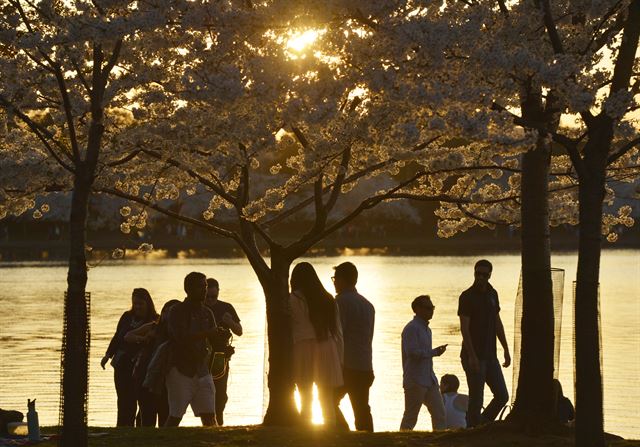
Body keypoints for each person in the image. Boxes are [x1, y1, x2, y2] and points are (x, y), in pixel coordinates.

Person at [164, 272, 222, 427]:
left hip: (203, 371)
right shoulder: (176, 311)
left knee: (210, 416)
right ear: (188, 289)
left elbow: (214, 340)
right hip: (180, 370)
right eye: (200, 286)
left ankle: (212, 442)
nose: (204, 290)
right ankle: (163, 440)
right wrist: (208, 333)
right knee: (175, 416)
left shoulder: (207, 312)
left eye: (205, 286)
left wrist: (221, 337)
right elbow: (180, 337)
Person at [289, 262, 343, 426]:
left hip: (303, 348)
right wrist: (340, 358)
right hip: (326, 347)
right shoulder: (327, 299)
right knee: (326, 397)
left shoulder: (291, 300)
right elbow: (338, 332)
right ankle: (330, 432)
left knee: (305, 394)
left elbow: (289, 330)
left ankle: (306, 431)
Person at [458, 259, 510, 427]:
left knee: (502, 395)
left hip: (491, 356)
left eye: (484, 274)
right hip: (473, 356)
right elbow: (464, 329)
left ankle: (483, 423)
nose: (480, 277)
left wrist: (506, 349)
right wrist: (472, 356)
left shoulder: (492, 294)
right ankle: (472, 429)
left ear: (489, 275)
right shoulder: (467, 297)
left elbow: (497, 323)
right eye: (477, 273)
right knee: (476, 396)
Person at [101, 288, 159, 426]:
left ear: (148, 303)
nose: (137, 307)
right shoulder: (126, 316)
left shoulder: (154, 320)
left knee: (142, 399)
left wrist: (137, 339)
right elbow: (117, 337)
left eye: (140, 304)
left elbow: (153, 342)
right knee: (123, 399)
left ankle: (141, 427)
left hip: (141, 365)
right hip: (121, 364)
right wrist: (108, 355)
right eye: (135, 304)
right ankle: (123, 426)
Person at [332, 262, 375, 432]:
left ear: (342, 280)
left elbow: (338, 334)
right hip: (365, 364)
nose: (334, 282)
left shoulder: (340, 302)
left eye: (335, 279)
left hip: (347, 364)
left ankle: (343, 432)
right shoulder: (368, 305)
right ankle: (367, 438)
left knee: (328, 400)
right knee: (362, 408)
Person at [399, 295, 447, 431]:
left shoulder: (427, 330)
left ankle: (439, 440)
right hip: (415, 380)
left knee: (439, 413)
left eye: (432, 308)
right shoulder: (411, 328)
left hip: (429, 379)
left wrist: (433, 353)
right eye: (428, 308)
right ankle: (401, 441)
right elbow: (412, 353)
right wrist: (434, 352)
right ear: (417, 309)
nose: (431, 310)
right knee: (410, 417)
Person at [205, 277, 243, 426]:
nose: (210, 300)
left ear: (218, 292)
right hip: (199, 356)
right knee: (203, 393)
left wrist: (230, 322)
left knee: (220, 394)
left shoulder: (226, 307)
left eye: (213, 297)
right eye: (207, 296)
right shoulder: (197, 307)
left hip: (220, 357)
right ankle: (208, 423)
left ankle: (218, 423)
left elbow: (239, 331)